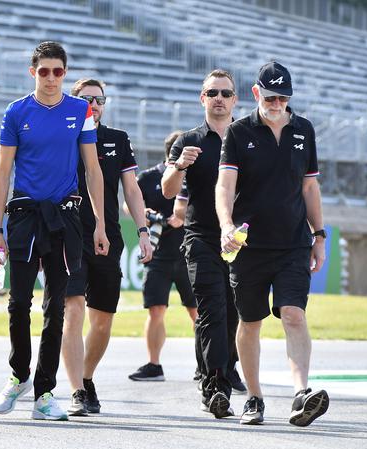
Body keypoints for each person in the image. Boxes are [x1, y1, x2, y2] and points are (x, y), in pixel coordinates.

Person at [0, 41, 108, 421]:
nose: (52, 78)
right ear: (33, 73)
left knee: (56, 306)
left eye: (58, 71)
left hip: (66, 219)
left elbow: (92, 169)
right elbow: (2, 172)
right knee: (18, 301)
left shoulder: (80, 110)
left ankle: (44, 392)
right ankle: (18, 375)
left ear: (65, 73)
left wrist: (100, 223)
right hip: (24, 216)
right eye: (44, 71)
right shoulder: (16, 111)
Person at [215, 61, 329, 426]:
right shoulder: (238, 132)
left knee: (294, 314)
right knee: (250, 321)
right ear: (256, 93)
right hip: (249, 244)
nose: (277, 103)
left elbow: (310, 187)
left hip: (294, 243)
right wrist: (226, 224)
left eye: (283, 97)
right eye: (270, 96)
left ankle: (301, 394)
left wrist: (320, 235)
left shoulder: (304, 130)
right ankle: (254, 397)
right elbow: (225, 186)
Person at [61, 78, 152, 416]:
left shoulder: (117, 140)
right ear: (74, 102)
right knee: (73, 310)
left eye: (99, 99)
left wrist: (143, 231)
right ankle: (75, 391)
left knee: (102, 322)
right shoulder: (63, 136)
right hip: (67, 235)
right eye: (86, 99)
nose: (94, 105)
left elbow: (132, 190)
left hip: (107, 238)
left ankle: (85, 378)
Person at [161, 69, 245, 419]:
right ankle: (216, 387)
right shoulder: (190, 140)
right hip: (200, 238)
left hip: (241, 239)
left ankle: (220, 375)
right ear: (203, 98)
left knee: (234, 314)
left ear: (235, 99)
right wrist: (180, 165)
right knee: (211, 310)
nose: (220, 99)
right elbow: (167, 190)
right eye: (213, 93)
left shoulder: (247, 138)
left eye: (226, 93)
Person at [127, 131, 196, 382]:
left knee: (197, 312)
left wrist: (181, 218)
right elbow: (129, 201)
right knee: (156, 310)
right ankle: (154, 365)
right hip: (158, 254)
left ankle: (205, 365)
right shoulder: (149, 177)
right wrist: (143, 212)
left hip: (191, 253)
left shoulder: (196, 177)